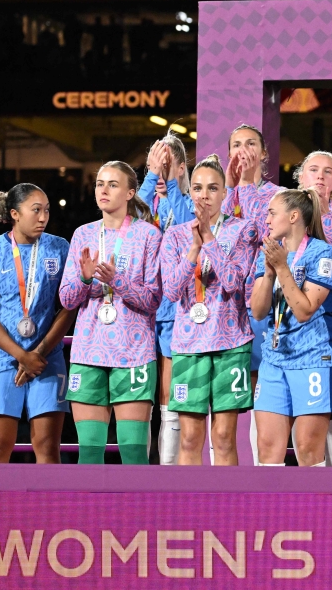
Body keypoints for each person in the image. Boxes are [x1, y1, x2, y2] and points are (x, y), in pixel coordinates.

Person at [60, 161, 162, 464]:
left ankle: (139, 513)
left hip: (133, 355)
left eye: (113, 184)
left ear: (131, 192)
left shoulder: (149, 235)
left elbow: (153, 299)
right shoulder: (83, 234)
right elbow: (67, 299)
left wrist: (116, 280)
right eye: (99, 184)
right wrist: (86, 278)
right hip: (89, 352)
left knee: (133, 453)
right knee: (89, 454)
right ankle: (87, 513)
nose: (103, 190)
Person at [162, 155, 255, 466]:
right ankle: (188, 511)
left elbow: (232, 284)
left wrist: (210, 240)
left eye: (213, 188)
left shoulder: (243, 230)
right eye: (198, 188)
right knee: (188, 437)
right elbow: (172, 290)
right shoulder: (175, 235)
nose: (204, 195)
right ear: (191, 194)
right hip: (189, 346)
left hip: (231, 344)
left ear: (224, 194)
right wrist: (193, 249)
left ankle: (228, 511)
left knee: (224, 437)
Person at [0, 184, 74, 463]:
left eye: (47, 211)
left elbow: (69, 305)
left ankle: (51, 508)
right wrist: (22, 356)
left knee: (48, 447)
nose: (43, 217)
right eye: (36, 210)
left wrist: (37, 354)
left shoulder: (59, 247)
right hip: (2, 360)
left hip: (47, 358)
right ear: (15, 213)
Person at [250, 189, 332, 467]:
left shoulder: (321, 253)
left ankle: (316, 510)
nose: (266, 219)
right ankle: (269, 511)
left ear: (293, 216)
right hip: (275, 359)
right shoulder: (268, 253)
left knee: (307, 448)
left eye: (271, 213)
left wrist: (281, 268)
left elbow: (304, 310)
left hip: (312, 359)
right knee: (267, 448)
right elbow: (258, 311)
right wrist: (267, 272)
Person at [222, 123, 281, 465]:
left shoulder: (278, 196)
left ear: (263, 153)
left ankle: (263, 472)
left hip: (261, 301)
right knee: (224, 394)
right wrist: (231, 188)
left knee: (261, 386)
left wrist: (242, 186)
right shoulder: (221, 193)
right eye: (236, 145)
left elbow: (264, 235)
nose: (243, 150)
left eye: (250, 144)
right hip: (223, 305)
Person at [295, 150, 332, 467]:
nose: (320, 175)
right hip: (294, 323)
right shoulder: (289, 214)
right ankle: (314, 476)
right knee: (303, 408)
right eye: (313, 169)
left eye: (328, 171)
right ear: (301, 177)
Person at [138, 134, 193, 465]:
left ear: (181, 168)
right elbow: (128, 224)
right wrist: (150, 178)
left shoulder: (190, 202)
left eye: (167, 164)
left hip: (176, 311)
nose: (159, 171)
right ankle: (139, 475)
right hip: (138, 311)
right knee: (139, 395)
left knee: (169, 395)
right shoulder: (143, 201)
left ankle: (168, 472)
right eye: (153, 166)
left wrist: (173, 185)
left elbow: (189, 229)